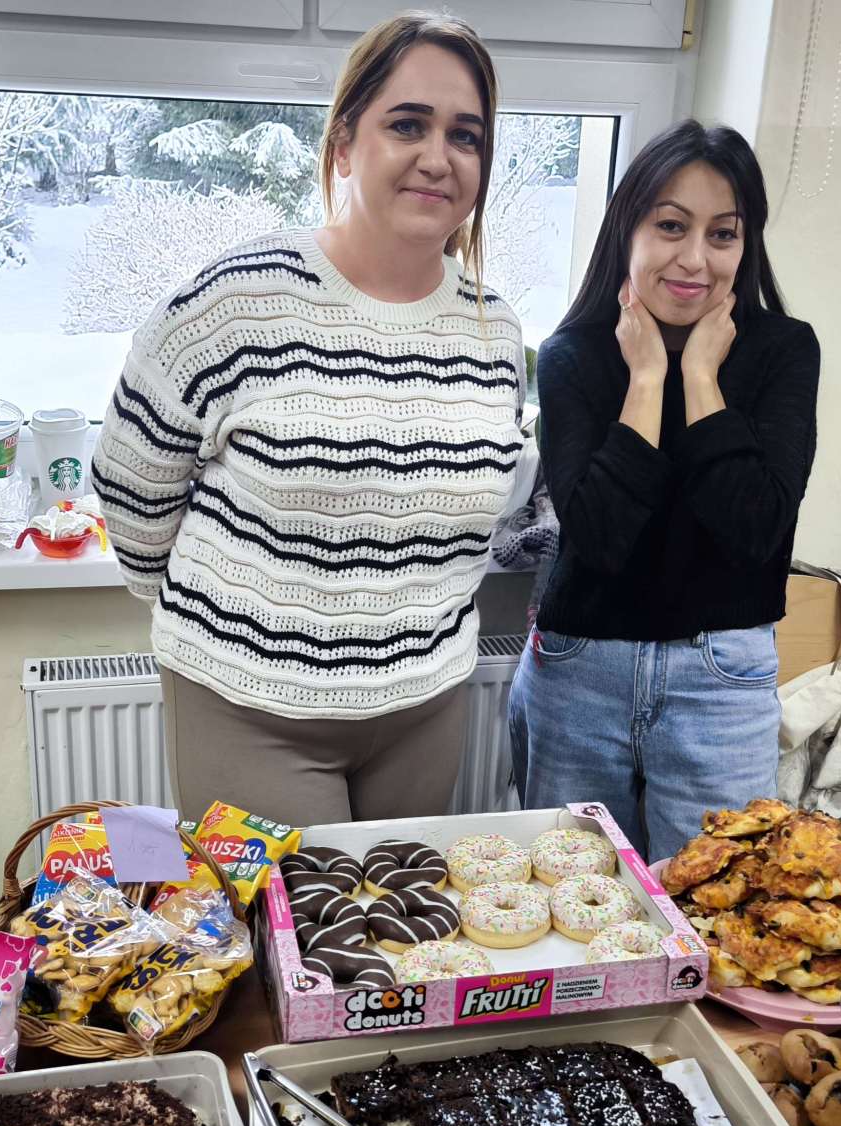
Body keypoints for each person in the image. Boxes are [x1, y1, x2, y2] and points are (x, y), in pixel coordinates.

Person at [93, 15, 526, 825]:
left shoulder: (494, 328)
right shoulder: (237, 300)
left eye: (465, 136)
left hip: (425, 707)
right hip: (250, 707)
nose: (439, 157)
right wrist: (228, 621)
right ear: (344, 144)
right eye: (408, 124)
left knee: (399, 911)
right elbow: (130, 481)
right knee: (280, 916)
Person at [508, 119, 819, 863]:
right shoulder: (572, 355)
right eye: (671, 226)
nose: (695, 258)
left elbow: (757, 528)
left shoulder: (783, 350)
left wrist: (701, 377)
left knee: (716, 901)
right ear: (629, 229)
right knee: (576, 893)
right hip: (579, 671)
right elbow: (600, 536)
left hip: (722, 679)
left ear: (747, 245)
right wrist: (647, 379)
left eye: (723, 234)